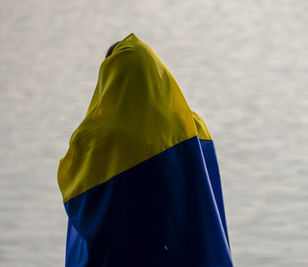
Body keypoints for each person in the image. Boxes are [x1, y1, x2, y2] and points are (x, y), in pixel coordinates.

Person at [57, 33, 233, 267]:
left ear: (109, 78)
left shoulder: (93, 139)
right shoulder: (190, 128)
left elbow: (79, 200)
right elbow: (207, 198)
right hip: (178, 253)